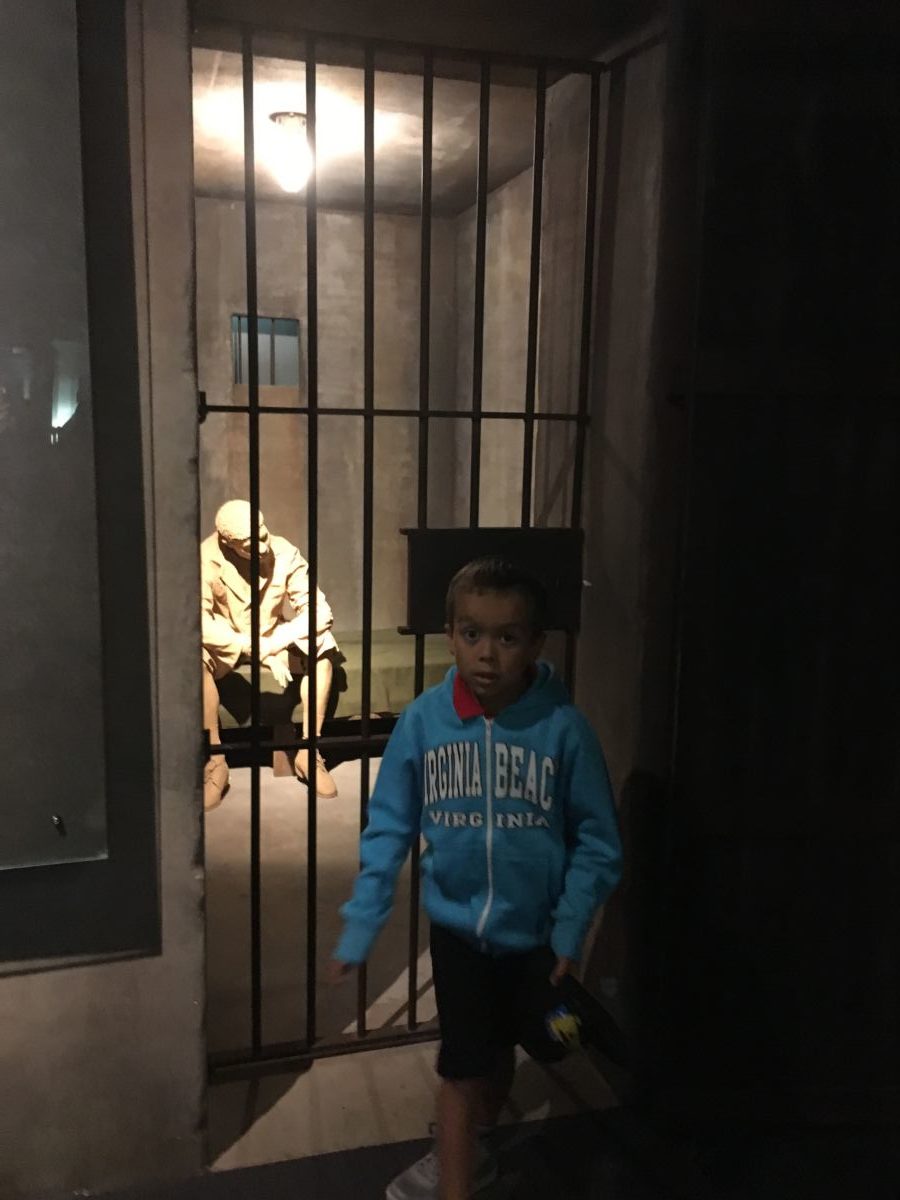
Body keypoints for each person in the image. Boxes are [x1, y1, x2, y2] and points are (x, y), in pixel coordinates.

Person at [328, 557, 622, 1200]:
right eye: (471, 634)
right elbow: (389, 826)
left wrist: (571, 927)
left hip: (536, 935)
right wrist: (363, 919)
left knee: (519, 1048)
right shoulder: (423, 723)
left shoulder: (563, 729)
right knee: (461, 1070)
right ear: (450, 635)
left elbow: (598, 841)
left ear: (536, 644)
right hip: (459, 933)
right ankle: (457, 1169)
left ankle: (480, 1139)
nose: (487, 653)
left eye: (507, 637)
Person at [201, 499, 340, 810]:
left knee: (324, 645)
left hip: (271, 636)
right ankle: (216, 760)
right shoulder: (205, 558)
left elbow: (321, 612)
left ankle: (309, 750)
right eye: (250, 544)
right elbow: (199, 623)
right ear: (227, 542)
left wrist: (274, 644)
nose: (263, 546)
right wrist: (248, 646)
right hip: (228, 643)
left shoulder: (284, 552)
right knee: (194, 657)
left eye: (263, 534)